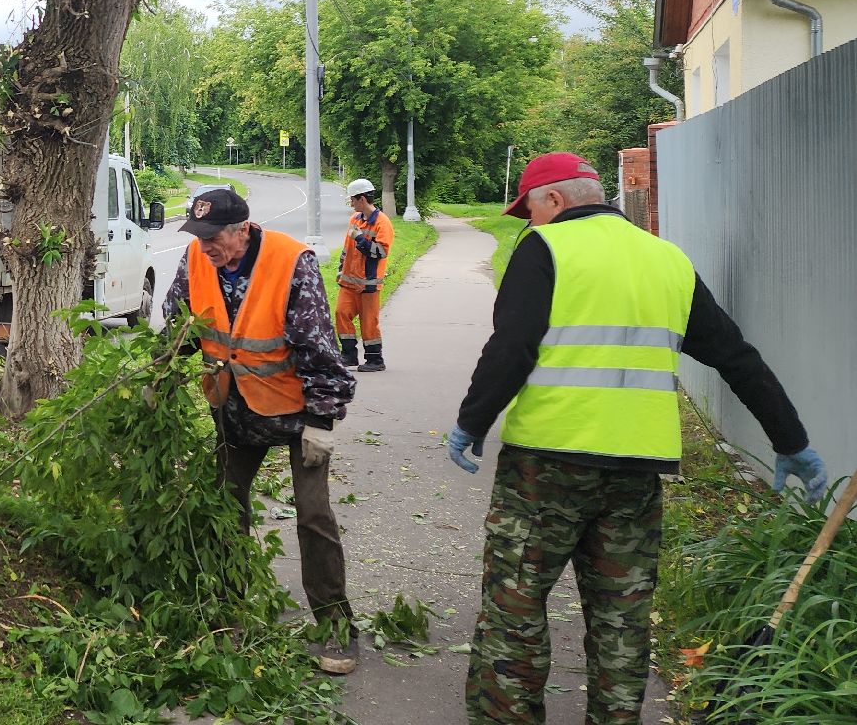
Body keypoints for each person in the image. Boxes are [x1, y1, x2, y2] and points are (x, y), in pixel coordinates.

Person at [448, 152, 827, 725]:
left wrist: (471, 423)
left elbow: (512, 347)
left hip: (546, 467)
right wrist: (790, 438)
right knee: (621, 618)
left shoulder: (545, 249)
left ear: (552, 199)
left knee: (515, 609)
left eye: (528, 210)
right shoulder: (667, 259)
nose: (529, 222)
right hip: (637, 471)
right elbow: (733, 354)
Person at [162, 187, 362, 674]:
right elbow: (179, 325)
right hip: (233, 408)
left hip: (296, 413)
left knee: (313, 515)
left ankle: (335, 625)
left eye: (214, 238)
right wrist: (158, 374)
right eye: (200, 236)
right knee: (225, 507)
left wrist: (321, 421)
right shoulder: (196, 259)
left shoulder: (292, 263)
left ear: (243, 231)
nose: (206, 246)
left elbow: (318, 347)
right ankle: (230, 610)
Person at [334, 177, 394, 373]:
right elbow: (346, 249)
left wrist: (360, 238)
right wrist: (341, 270)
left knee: (369, 323)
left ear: (361, 199)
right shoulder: (355, 219)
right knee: (341, 314)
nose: (351, 203)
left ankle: (375, 360)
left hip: (369, 284)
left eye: (352, 199)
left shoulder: (382, 224)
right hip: (349, 282)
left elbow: (380, 252)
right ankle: (349, 355)